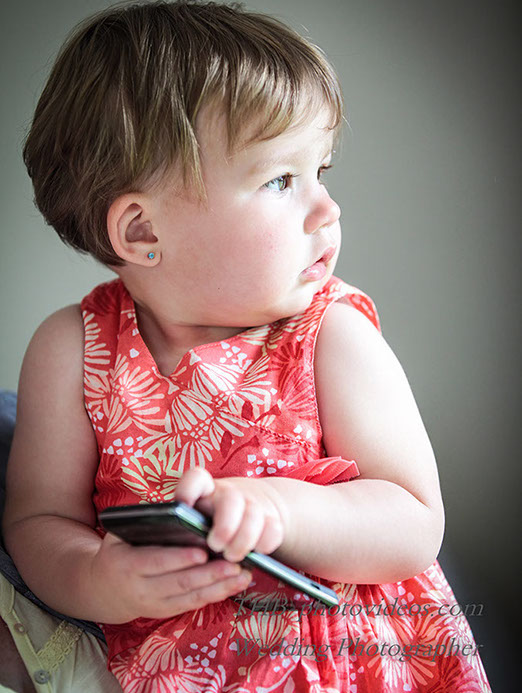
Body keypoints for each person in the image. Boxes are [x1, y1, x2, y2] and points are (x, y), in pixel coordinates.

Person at [2, 1, 491, 691]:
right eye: (280, 180)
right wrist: (98, 578)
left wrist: (279, 510)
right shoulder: (72, 350)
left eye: (322, 171)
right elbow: (38, 519)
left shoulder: (331, 333)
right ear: (142, 231)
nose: (328, 209)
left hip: (345, 659)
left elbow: (413, 519)